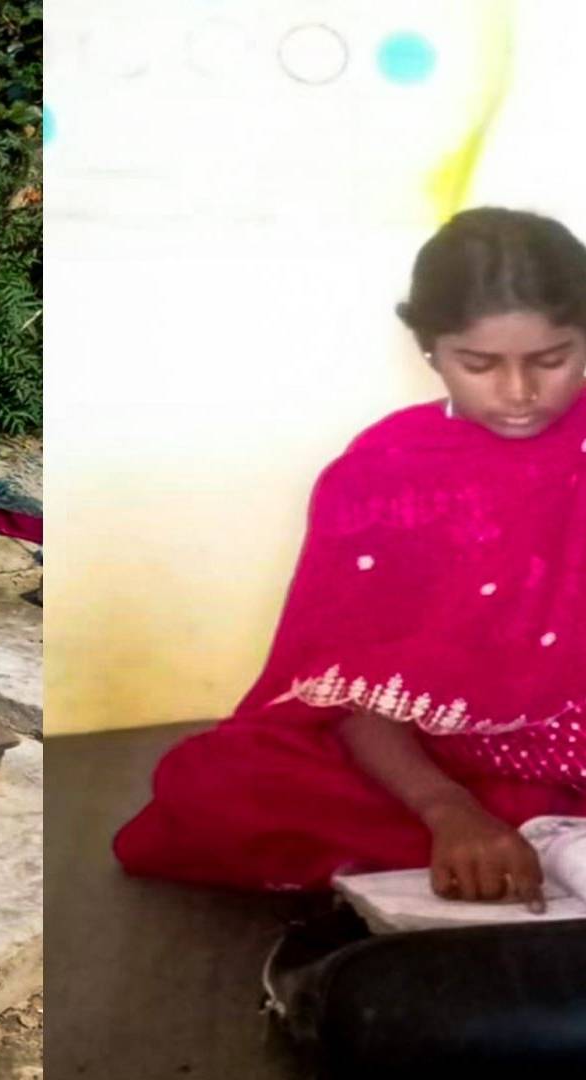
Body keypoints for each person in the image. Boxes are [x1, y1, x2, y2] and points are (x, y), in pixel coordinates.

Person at [115, 206, 586, 912]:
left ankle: (539, 838)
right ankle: (528, 839)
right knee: (215, 783)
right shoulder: (386, 472)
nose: (519, 393)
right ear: (430, 349)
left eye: (552, 361)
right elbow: (345, 687)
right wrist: (445, 808)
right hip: (443, 762)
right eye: (480, 364)